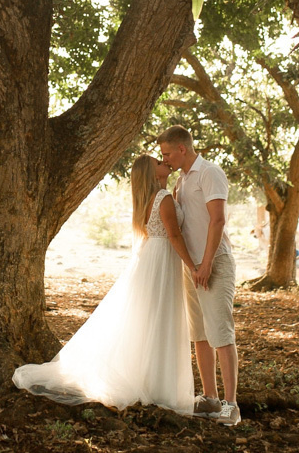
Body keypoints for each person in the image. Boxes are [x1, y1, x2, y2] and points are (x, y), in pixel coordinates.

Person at [12, 155, 197, 413]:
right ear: (151, 173)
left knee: (154, 319)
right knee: (161, 319)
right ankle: (159, 385)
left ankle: (152, 381)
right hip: (163, 260)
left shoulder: (154, 198)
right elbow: (174, 235)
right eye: (158, 162)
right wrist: (193, 265)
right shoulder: (163, 198)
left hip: (154, 259)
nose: (163, 162)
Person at [158, 125, 240, 426]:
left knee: (221, 332)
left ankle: (231, 405)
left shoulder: (209, 172)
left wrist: (206, 264)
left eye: (167, 153)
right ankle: (210, 398)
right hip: (192, 267)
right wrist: (193, 266)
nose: (164, 159)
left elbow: (218, 220)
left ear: (182, 148)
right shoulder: (180, 180)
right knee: (200, 335)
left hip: (214, 262)